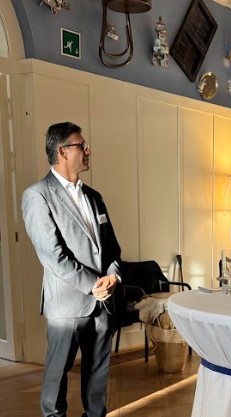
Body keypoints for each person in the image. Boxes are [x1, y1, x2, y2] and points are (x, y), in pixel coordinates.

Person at [22, 122, 122, 417]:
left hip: (103, 303)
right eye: (82, 145)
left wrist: (113, 276)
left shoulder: (94, 196)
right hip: (66, 306)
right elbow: (52, 255)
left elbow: (113, 249)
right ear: (63, 151)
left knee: (97, 380)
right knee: (56, 380)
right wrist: (93, 284)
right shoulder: (37, 195)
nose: (88, 150)